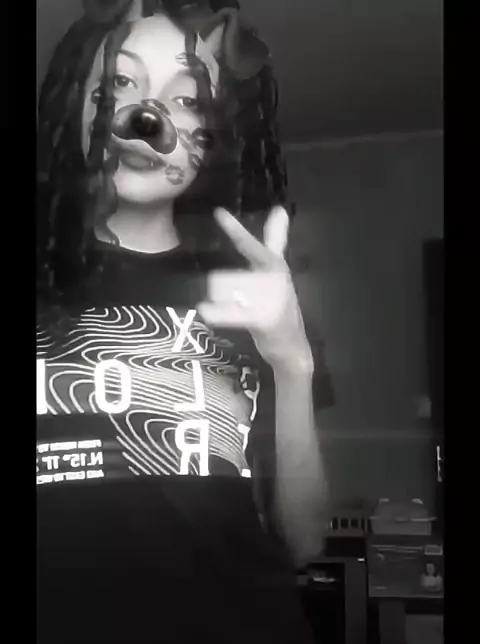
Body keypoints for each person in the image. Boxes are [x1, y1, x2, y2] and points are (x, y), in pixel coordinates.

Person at [36, 1, 329, 642]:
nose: (148, 116)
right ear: (75, 104)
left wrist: (293, 361)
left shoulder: (258, 294)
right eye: (120, 81)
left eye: (188, 98)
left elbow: (303, 540)